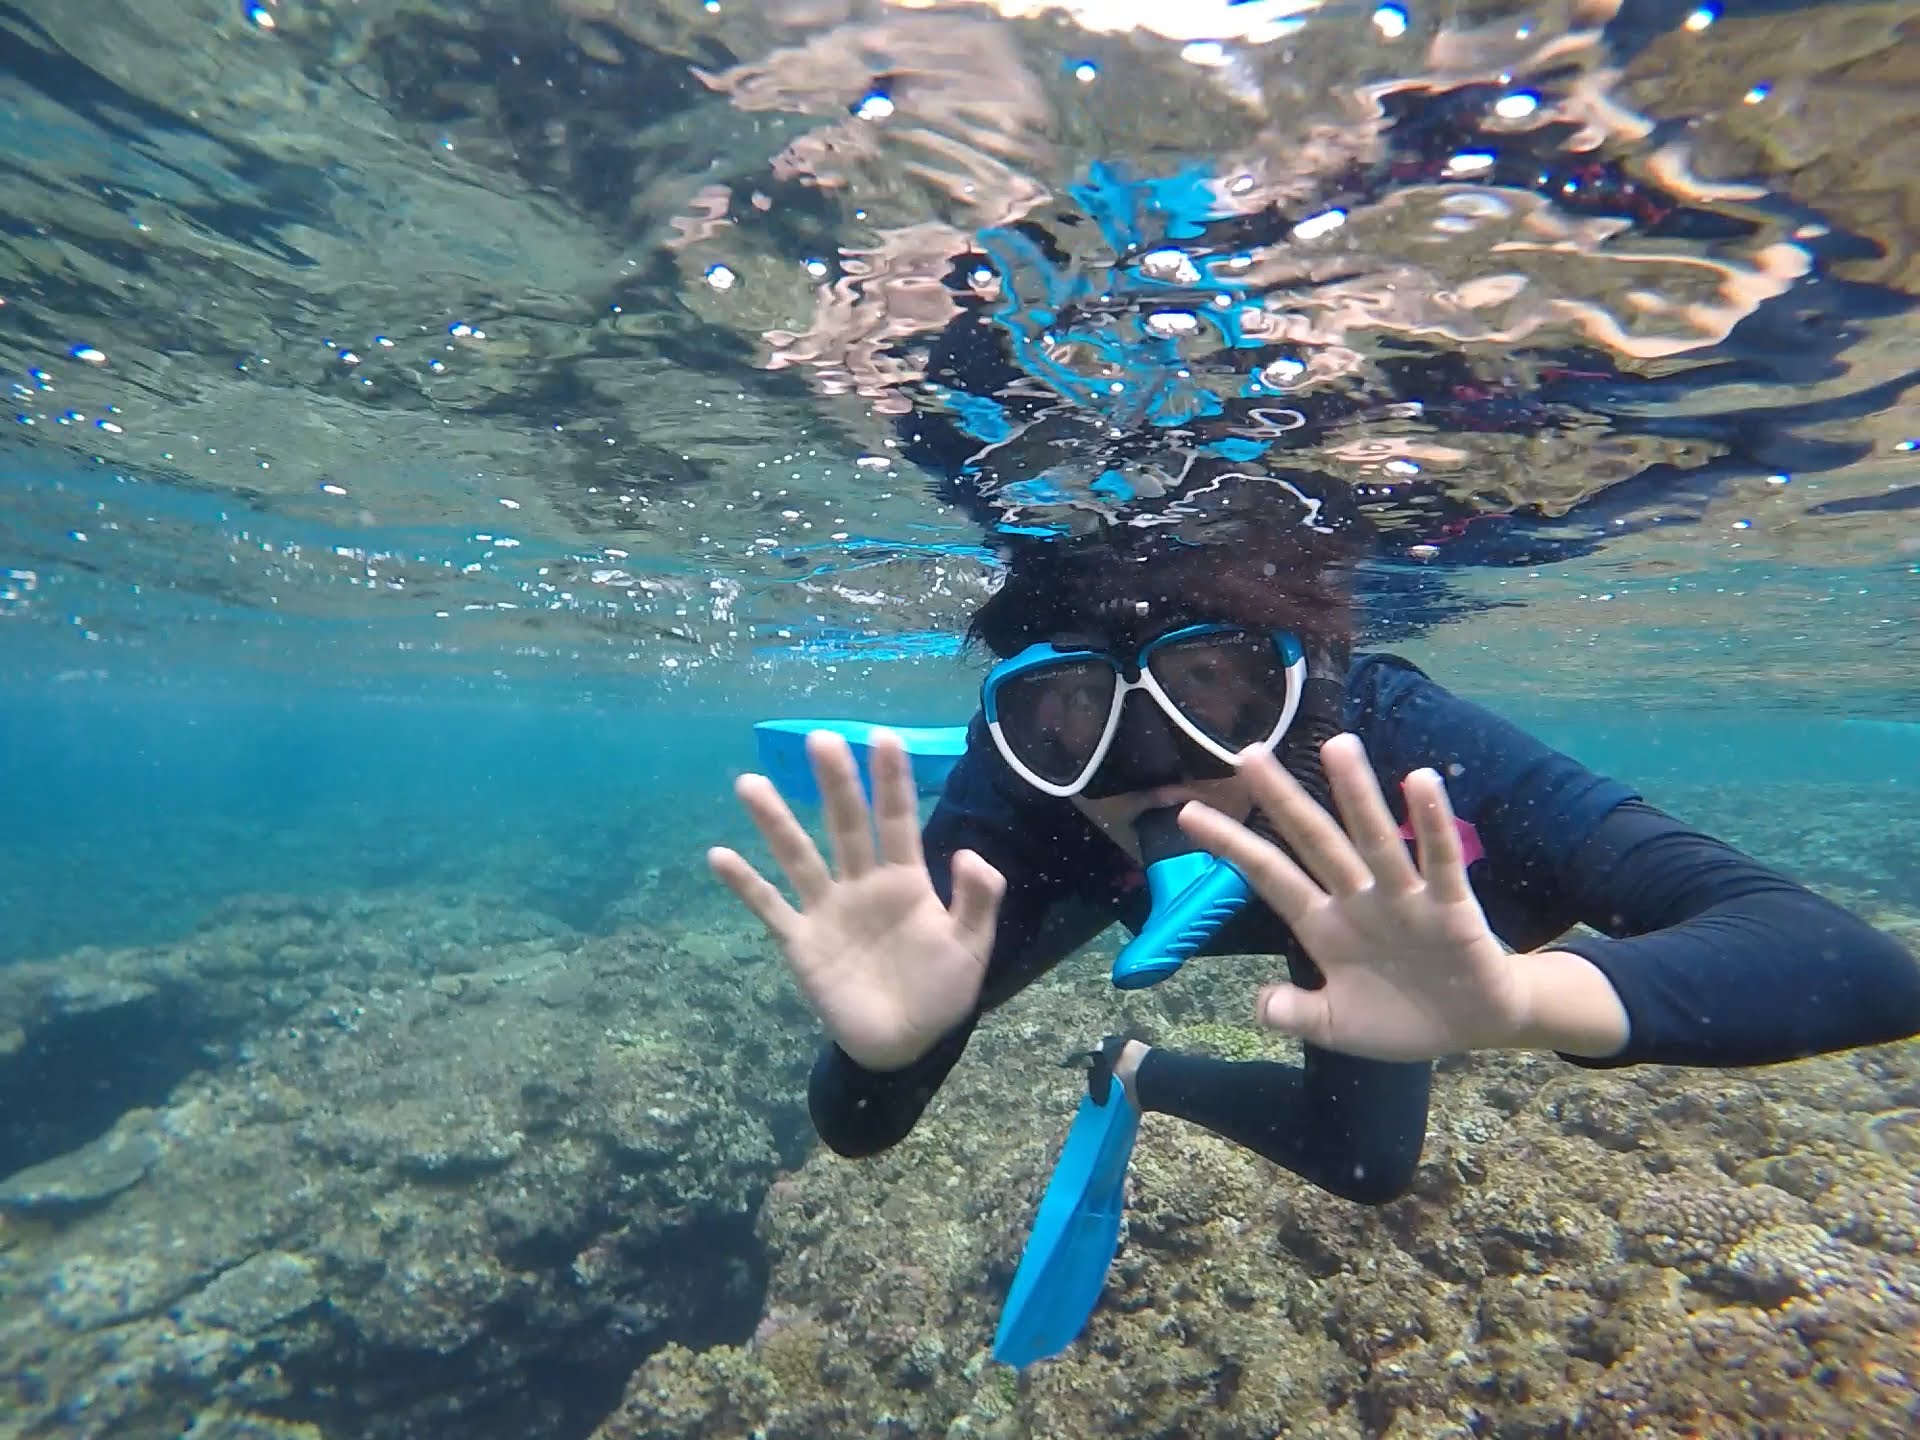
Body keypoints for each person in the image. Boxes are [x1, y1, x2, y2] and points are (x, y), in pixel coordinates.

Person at [706, 490, 1920, 1206]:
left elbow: (1855, 964)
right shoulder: (1021, 809)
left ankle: (1130, 1065)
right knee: (1019, 882)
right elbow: (860, 1128)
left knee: (1367, 1169)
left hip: (1348, 914)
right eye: (1069, 715)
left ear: (1304, 682)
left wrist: (1525, 996)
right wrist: (889, 1052)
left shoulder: (1394, 740)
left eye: (1214, 691)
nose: (1155, 768)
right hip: (1089, 867)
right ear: (1017, 726)